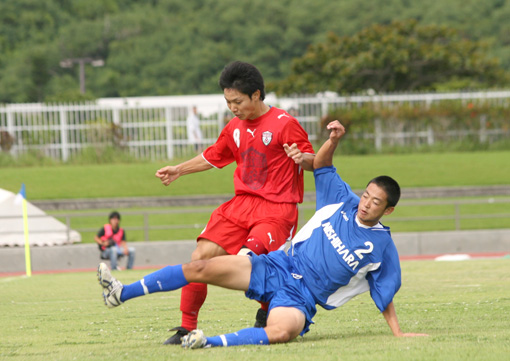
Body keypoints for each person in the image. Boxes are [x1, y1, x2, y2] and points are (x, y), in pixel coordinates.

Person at [98, 120, 428, 349]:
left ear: (388, 210)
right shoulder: (343, 201)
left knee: (282, 331)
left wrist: (397, 332)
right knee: (200, 266)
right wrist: (334, 140)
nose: (366, 204)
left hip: (302, 296)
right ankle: (120, 292)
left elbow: (384, 291)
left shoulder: (381, 246)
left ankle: (205, 341)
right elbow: (325, 166)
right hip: (278, 266)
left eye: (375, 202)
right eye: (366, 195)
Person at [155, 61, 315, 344]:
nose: (233, 107)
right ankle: (186, 328)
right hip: (240, 205)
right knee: (199, 258)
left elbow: (317, 162)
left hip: (275, 209)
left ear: (256, 94)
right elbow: (213, 156)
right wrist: (179, 169)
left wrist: (303, 159)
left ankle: (268, 312)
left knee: (247, 261)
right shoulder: (234, 128)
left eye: (237, 101)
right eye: (228, 101)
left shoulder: (285, 124)